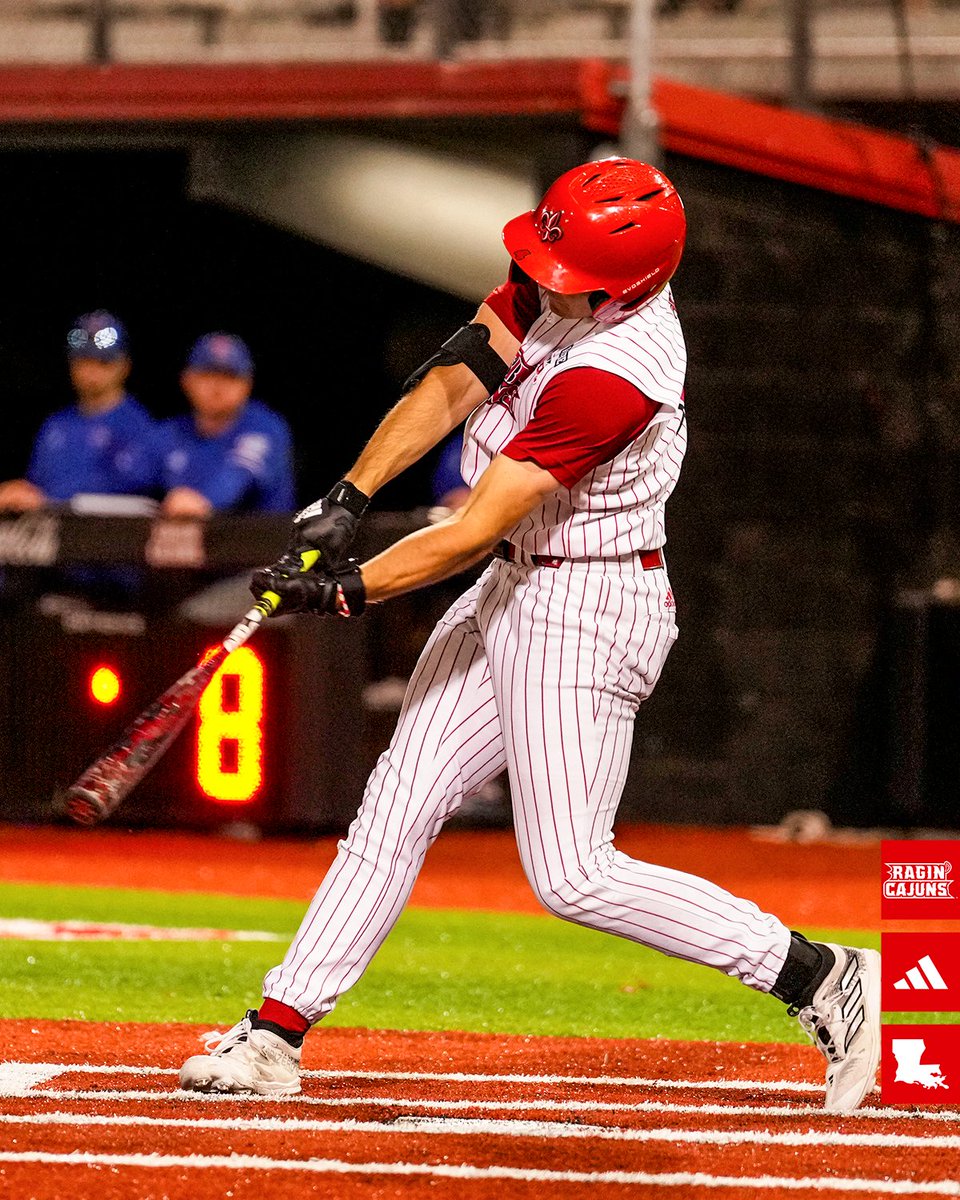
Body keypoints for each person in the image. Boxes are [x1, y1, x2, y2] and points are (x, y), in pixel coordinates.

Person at [178, 158, 881, 1114]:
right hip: (519, 582)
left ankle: (824, 976)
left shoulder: (616, 377)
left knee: (573, 874)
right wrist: (349, 496)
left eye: (563, 263)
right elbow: (456, 375)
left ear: (620, 279)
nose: (538, 272)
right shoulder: (555, 287)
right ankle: (275, 1036)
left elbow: (470, 528)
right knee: (394, 808)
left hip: (583, 611)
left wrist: (339, 592)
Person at [0, 311, 157, 512]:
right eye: (83, 360)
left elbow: (131, 493)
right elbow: (36, 484)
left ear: (124, 366)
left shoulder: (138, 425)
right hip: (52, 534)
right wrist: (19, 492)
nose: (91, 370)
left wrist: (47, 501)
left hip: (109, 536)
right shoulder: (56, 424)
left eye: (103, 362)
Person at [157, 333, 294, 518]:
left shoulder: (265, 427)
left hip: (263, 543)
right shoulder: (173, 431)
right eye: (208, 374)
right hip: (200, 544)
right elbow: (130, 476)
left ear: (248, 384)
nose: (218, 387)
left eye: (230, 376)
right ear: (187, 380)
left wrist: (200, 502)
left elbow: (238, 478)